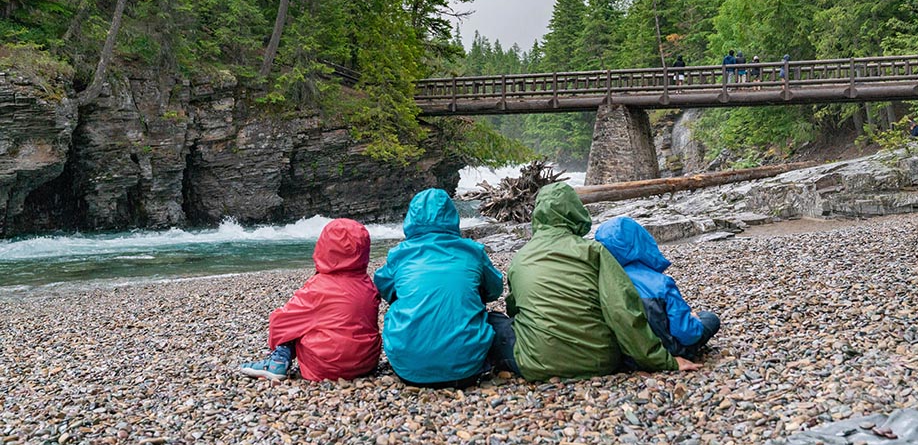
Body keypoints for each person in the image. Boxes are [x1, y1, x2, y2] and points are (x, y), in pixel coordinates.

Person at [490, 182, 700, 380]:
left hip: (536, 363)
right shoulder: (594, 251)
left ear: (537, 215)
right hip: (600, 361)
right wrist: (661, 360)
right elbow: (621, 309)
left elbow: (515, 309)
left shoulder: (520, 258)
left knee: (493, 321)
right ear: (576, 211)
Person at [375, 188, 504, 388]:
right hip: (466, 370)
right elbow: (495, 290)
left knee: (397, 308)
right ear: (453, 217)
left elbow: (384, 288)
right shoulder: (472, 251)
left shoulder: (399, 255)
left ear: (411, 218)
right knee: (491, 318)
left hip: (408, 369)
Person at [238, 218, 381, 382]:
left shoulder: (318, 287)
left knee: (296, 322)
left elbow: (279, 323)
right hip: (367, 364)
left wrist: (279, 342)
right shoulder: (368, 285)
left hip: (327, 367)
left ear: (324, 247)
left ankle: (277, 361)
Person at [595, 216, 720, 359]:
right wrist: (694, 321)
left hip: (628, 355)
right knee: (709, 318)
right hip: (670, 350)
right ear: (642, 241)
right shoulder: (661, 283)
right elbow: (687, 335)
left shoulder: (601, 281)